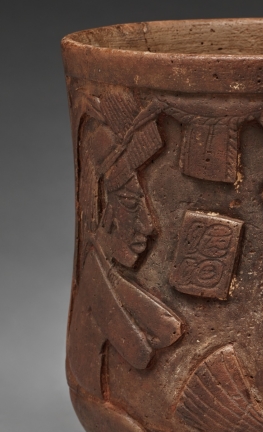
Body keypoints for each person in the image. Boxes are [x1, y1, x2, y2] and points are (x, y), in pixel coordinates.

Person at [67, 90, 183, 400]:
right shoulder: (94, 275)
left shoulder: (107, 275)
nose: (149, 226)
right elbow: (140, 354)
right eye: (132, 205)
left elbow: (170, 328)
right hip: (111, 406)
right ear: (104, 214)